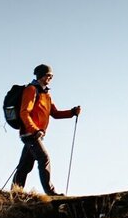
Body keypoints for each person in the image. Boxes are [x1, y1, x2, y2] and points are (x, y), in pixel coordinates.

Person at [12, 64, 81, 196]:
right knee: (44, 158)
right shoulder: (31, 90)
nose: (50, 78)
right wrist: (34, 130)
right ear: (41, 75)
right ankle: (50, 192)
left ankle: (14, 193)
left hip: (36, 134)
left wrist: (72, 112)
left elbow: (54, 113)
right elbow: (24, 112)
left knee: (25, 165)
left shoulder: (46, 95)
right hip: (30, 133)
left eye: (51, 76)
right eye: (48, 75)